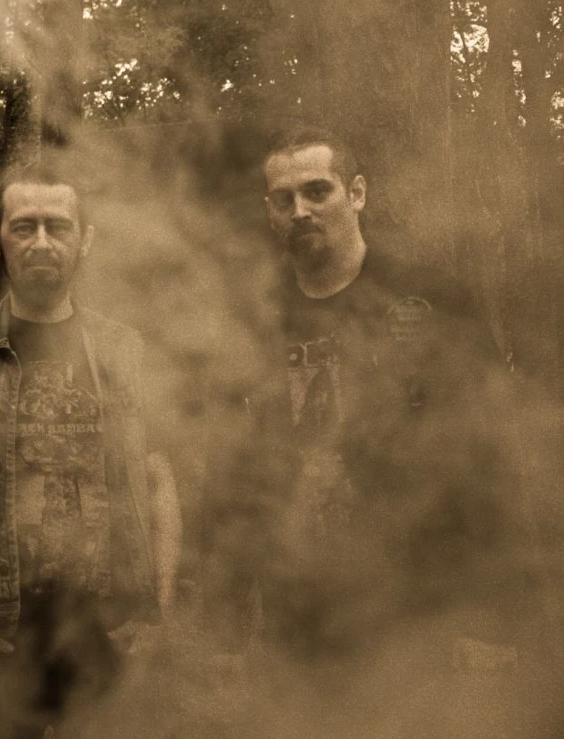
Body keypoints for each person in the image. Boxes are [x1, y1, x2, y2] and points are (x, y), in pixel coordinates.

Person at [210, 126, 516, 665]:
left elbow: (495, 461)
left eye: (317, 191)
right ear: (270, 211)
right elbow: (236, 480)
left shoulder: (434, 302)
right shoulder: (253, 321)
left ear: (356, 193)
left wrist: (495, 619)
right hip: (300, 619)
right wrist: (228, 625)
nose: (300, 211)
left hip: (425, 614)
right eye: (284, 199)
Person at [0, 167, 182, 739]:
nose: (41, 241)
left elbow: (159, 480)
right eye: (24, 226)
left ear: (86, 238)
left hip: (108, 626)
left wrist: (160, 608)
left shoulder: (129, 354)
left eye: (58, 226)